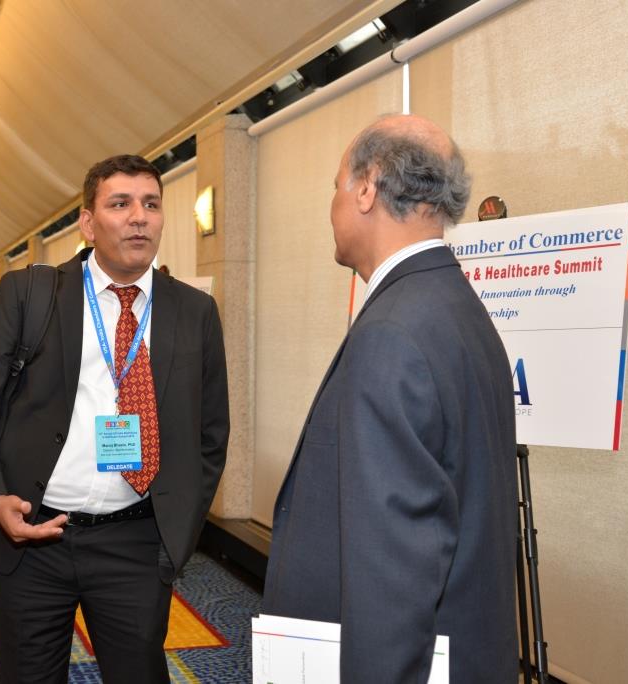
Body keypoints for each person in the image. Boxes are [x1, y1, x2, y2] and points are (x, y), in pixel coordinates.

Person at [0, 154, 229, 683]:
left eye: (151, 204)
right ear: (88, 223)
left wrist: (178, 531)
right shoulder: (30, 294)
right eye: (120, 204)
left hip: (136, 543)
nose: (139, 217)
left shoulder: (194, 311)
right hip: (32, 535)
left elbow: (210, 434)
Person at [262, 114, 518, 683]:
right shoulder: (456, 307)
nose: (331, 205)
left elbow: (391, 573)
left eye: (336, 186)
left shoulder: (391, 334)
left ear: (366, 187)